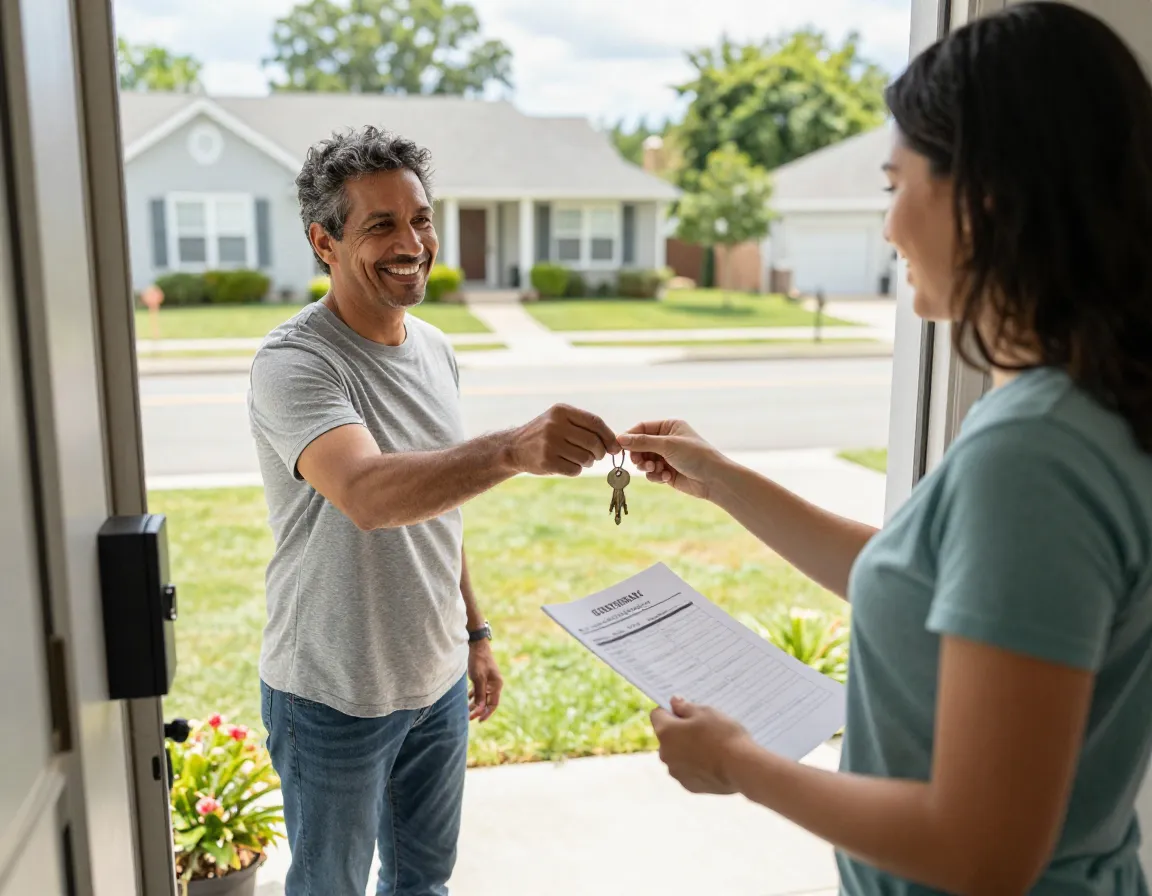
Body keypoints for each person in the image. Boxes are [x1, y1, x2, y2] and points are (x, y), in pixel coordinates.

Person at [618, 5, 1152, 894]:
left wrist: (740, 765)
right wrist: (724, 481)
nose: (888, 229)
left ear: (984, 195)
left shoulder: (1039, 455)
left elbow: (983, 850)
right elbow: (956, 589)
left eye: (895, 183)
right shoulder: (1078, 402)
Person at [248, 126, 619, 896]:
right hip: (333, 693)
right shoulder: (295, 363)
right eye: (379, 224)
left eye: (419, 217)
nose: (411, 241)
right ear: (325, 242)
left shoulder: (436, 349)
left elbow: (437, 504)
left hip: (437, 682)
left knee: (424, 883)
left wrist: (474, 632)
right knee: (331, 888)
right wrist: (513, 449)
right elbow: (372, 495)